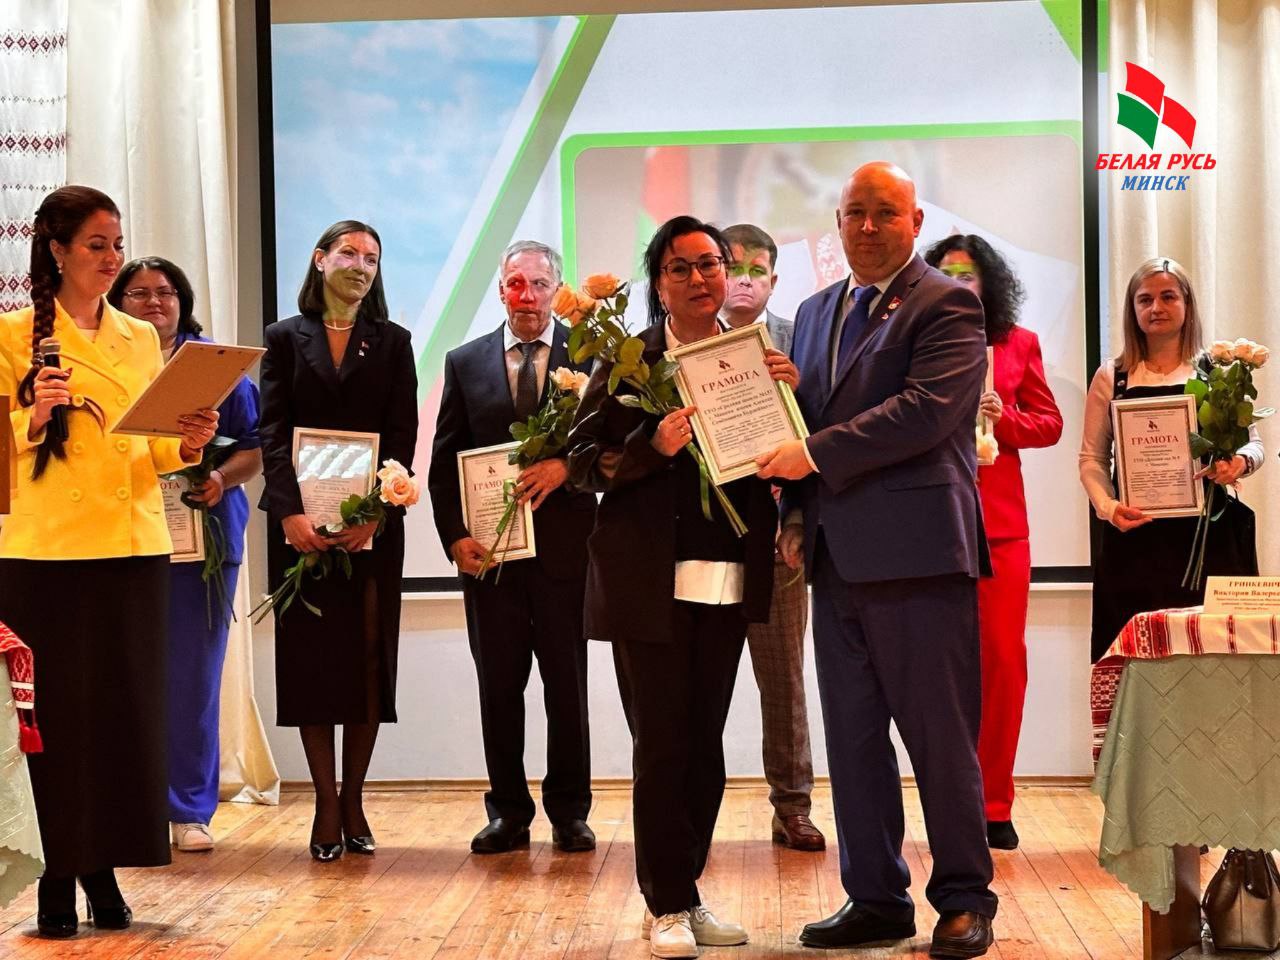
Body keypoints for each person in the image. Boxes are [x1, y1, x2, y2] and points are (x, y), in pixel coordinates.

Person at [757, 162, 997, 958]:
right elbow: (803, 422)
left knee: (939, 739)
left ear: (915, 221)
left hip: (921, 557)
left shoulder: (948, 302)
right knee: (854, 742)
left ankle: (964, 898)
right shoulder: (814, 311)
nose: (867, 225)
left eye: (884, 212)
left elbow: (924, 413)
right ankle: (876, 899)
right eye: (854, 211)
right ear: (836, 221)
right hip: (837, 560)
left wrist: (810, 457)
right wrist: (795, 513)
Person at [568, 216, 798, 959]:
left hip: (728, 578)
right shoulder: (629, 363)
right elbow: (581, 463)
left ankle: (686, 894)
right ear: (659, 283)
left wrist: (792, 405)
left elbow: (786, 459)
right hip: (648, 587)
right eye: (680, 268)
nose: (699, 279)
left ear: (728, 273)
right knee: (663, 747)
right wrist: (652, 445)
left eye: (710, 264)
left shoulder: (755, 356)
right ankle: (664, 903)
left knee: (705, 750)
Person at [0, 186, 218, 937]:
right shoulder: (12, 334)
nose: (111, 258)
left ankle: (105, 866)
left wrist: (188, 441)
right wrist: (32, 418)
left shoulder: (139, 337)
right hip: (44, 553)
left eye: (117, 244)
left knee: (124, 716)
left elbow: (149, 451)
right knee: (54, 721)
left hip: (132, 547)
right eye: (97, 244)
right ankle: (57, 875)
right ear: (57, 250)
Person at [427, 240, 596, 855]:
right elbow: (443, 464)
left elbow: (608, 448)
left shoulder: (590, 355)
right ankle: (508, 813)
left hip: (565, 557)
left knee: (566, 690)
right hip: (489, 559)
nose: (527, 296)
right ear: (501, 290)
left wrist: (567, 469)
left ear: (557, 290)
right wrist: (455, 538)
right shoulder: (464, 361)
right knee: (499, 689)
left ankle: (570, 812)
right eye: (516, 284)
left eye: (539, 284)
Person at [259, 220, 418, 862]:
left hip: (369, 533)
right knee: (312, 668)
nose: (360, 265)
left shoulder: (394, 342)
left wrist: (375, 515)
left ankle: (354, 798)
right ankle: (325, 801)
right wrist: (289, 514)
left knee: (366, 669)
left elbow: (402, 436)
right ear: (320, 259)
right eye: (349, 253)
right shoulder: (282, 339)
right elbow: (272, 433)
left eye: (372, 258)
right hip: (299, 532)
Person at [107, 257, 263, 853]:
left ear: (183, 300)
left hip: (204, 542)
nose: (155, 302)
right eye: (139, 293)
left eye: (166, 292)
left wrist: (220, 478)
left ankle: (189, 810)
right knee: (123, 675)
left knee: (193, 677)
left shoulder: (213, 367)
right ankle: (129, 806)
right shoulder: (108, 364)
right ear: (118, 302)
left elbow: (254, 447)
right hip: (120, 539)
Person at [922, 236, 1063, 851]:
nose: (958, 282)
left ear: (989, 283)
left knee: (1002, 665)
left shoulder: (1019, 343)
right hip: (928, 523)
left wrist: (1004, 418)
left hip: (1001, 528)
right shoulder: (914, 340)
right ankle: (947, 805)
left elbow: (1050, 424)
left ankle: (994, 802)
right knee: (937, 673)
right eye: (946, 272)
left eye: (968, 273)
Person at [1079, 256, 1262, 663]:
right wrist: (1109, 508)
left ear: (1187, 304)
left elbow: (1254, 445)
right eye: (1144, 299)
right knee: (1133, 663)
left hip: (1207, 541)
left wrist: (1238, 464)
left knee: (1214, 660)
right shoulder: (1112, 376)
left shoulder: (1217, 371)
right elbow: (1091, 459)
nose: (1156, 307)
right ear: (1132, 309)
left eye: (1168, 297)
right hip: (1133, 540)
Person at [718, 223, 823, 852]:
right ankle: (692, 808)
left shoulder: (798, 342)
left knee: (784, 682)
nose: (744, 280)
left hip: (779, 541)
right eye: (733, 267)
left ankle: (793, 807)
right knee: (698, 685)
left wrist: (798, 520)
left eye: (757, 270)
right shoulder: (685, 343)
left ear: (775, 280)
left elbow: (821, 439)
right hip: (705, 542)